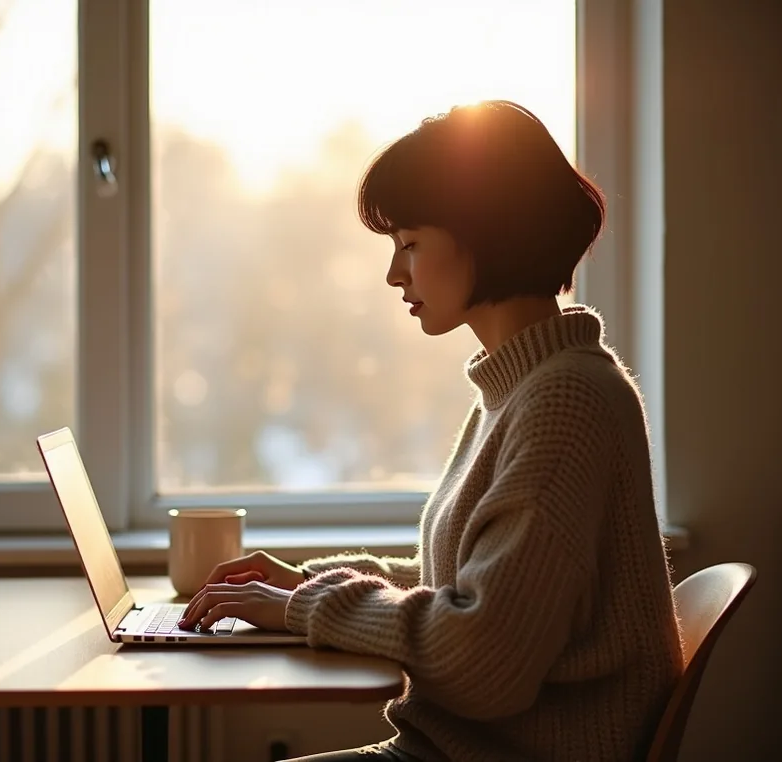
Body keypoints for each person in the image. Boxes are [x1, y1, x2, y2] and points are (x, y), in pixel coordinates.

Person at [177, 100, 684, 762]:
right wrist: (302, 586)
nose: (394, 273)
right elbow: (475, 590)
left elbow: (484, 660)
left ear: (488, 232)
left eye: (409, 244)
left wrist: (304, 607)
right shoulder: (524, 389)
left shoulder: (564, 402)